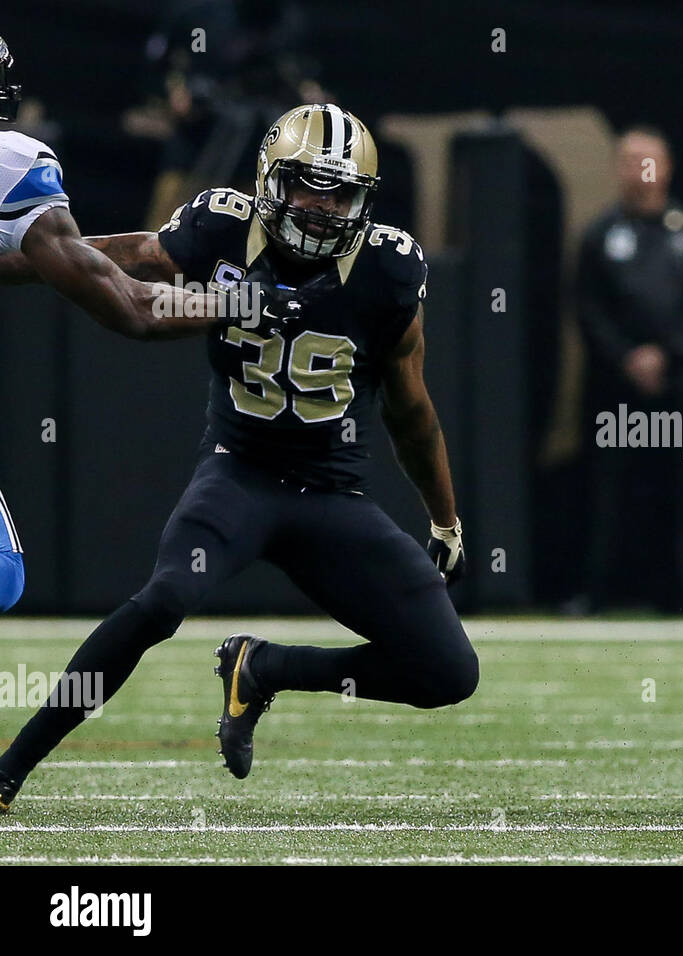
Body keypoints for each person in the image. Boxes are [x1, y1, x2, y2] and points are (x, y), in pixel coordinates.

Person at [0, 103, 476, 813]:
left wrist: (445, 521)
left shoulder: (387, 269)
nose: (320, 208)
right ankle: (10, 770)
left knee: (448, 671)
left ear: (364, 202)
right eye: (306, 186)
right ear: (268, 181)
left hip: (332, 495)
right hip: (239, 474)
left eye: (339, 192)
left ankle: (263, 667)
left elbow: (411, 410)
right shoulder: (223, 224)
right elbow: (128, 255)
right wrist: (26, 257)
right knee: (161, 603)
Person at [0, 35, 232, 618]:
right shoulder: (12, 163)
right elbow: (135, 310)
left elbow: (24, 261)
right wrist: (244, 306)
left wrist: (134, 251)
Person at [572, 126, 683, 614]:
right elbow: (588, 309)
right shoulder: (601, 235)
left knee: (677, 491)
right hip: (615, 390)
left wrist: (667, 357)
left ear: (667, 167)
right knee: (608, 490)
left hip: (677, 390)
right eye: (630, 160)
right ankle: (597, 593)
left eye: (648, 160)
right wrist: (627, 358)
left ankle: (679, 595)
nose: (640, 170)